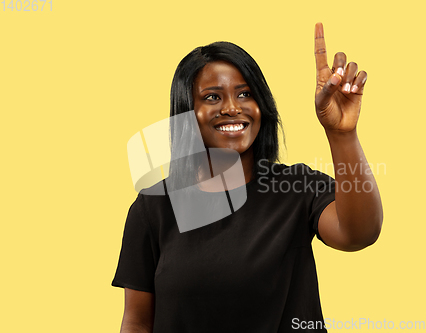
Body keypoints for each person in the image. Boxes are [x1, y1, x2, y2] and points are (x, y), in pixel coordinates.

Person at [112, 22, 383, 332]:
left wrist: (341, 134)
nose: (231, 108)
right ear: (188, 110)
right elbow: (137, 321)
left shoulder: (296, 188)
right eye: (212, 97)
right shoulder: (154, 206)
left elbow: (359, 233)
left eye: (245, 94)